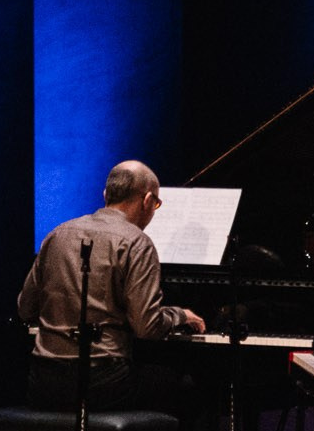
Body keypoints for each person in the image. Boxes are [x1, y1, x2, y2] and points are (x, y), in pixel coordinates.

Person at [17, 161, 204, 414]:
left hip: (43, 381)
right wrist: (179, 315)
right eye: (157, 204)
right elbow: (146, 327)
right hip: (103, 384)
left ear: (106, 195)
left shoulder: (57, 234)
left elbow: (25, 308)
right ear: (148, 200)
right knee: (186, 385)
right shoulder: (137, 243)